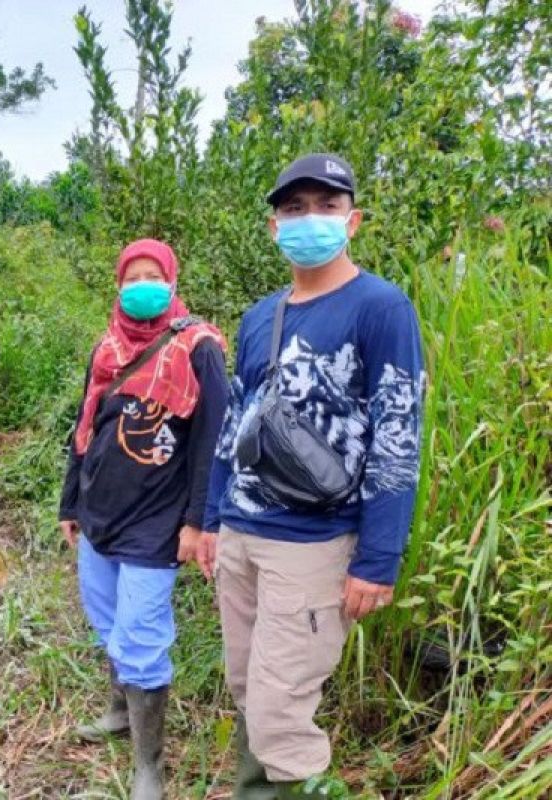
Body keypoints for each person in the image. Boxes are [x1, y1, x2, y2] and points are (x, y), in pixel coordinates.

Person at [201, 154, 425, 799]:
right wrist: (214, 518)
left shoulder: (381, 307)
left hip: (314, 544)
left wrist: (378, 560)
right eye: (295, 209)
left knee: (280, 708)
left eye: (327, 207)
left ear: (352, 221)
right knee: (248, 686)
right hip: (242, 534)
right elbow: (236, 424)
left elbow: (397, 434)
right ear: (274, 227)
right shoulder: (258, 316)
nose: (310, 220)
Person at [58, 239, 228, 800]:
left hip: (155, 523)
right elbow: (84, 429)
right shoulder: (106, 348)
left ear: (173, 281)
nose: (142, 285)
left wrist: (199, 522)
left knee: (142, 636)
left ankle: (148, 767)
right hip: (99, 514)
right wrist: (70, 504)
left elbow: (212, 443)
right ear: (119, 285)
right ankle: (118, 713)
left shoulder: (198, 347)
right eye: (133, 277)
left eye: (153, 275)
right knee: (108, 622)